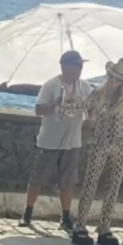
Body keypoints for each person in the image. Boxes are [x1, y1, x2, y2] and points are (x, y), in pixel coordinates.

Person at [19, 50, 93, 230]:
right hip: (49, 141)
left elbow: (93, 106)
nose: (79, 70)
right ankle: (27, 213)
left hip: (72, 141)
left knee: (68, 182)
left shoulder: (84, 87)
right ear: (64, 66)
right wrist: (55, 104)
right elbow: (38, 109)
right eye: (76, 66)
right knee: (37, 179)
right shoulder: (51, 85)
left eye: (80, 66)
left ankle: (66, 217)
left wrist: (92, 118)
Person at [69, 59, 123, 245]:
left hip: (120, 147)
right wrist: (66, 105)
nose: (113, 82)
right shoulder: (99, 93)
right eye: (111, 78)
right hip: (99, 144)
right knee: (90, 184)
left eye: (118, 80)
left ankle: (104, 227)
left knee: (113, 189)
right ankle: (80, 225)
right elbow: (82, 107)